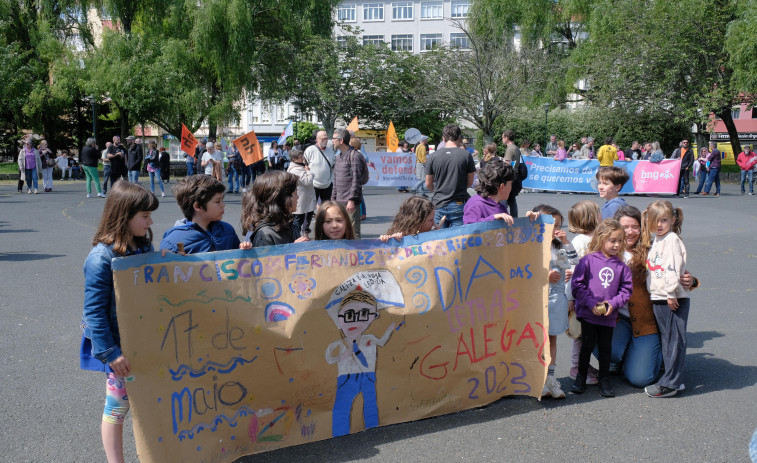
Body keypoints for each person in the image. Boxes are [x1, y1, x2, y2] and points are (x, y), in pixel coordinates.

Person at [79, 180, 159, 463]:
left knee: (149, 401)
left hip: (144, 342)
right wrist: (111, 353)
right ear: (123, 216)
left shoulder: (143, 245)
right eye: (145, 216)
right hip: (119, 349)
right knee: (117, 407)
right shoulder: (101, 258)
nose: (151, 222)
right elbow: (95, 313)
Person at [610, 205, 699, 387]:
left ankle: (649, 354)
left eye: (635, 226)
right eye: (625, 227)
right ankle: (623, 357)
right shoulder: (608, 250)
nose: (630, 232)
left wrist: (692, 281)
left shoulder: (654, 248)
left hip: (646, 323)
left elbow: (675, 269)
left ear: (643, 226)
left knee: (640, 378)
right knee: (610, 350)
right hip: (618, 320)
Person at [570, 219, 633, 397]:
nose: (616, 244)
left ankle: (605, 379)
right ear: (601, 238)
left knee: (606, 349)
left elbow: (626, 290)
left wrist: (611, 305)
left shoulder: (622, 267)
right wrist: (591, 304)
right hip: (589, 314)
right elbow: (578, 285)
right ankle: (580, 377)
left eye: (620, 240)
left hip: (608, 316)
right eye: (612, 240)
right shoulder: (588, 261)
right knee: (587, 347)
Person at [643, 201, 690, 398]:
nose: (659, 224)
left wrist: (671, 293)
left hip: (670, 297)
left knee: (674, 340)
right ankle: (670, 378)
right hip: (660, 297)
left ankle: (671, 384)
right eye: (655, 221)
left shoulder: (670, 239)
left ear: (673, 219)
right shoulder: (658, 239)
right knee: (668, 338)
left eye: (664, 220)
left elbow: (672, 266)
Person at [533, 204, 578, 399]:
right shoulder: (532, 245)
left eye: (558, 224)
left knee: (552, 339)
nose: (554, 228)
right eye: (549, 224)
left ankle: (551, 378)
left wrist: (567, 242)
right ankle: (538, 379)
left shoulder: (558, 246)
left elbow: (575, 262)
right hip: (537, 301)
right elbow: (523, 272)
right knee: (537, 340)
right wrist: (545, 275)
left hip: (557, 301)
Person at [566, 200, 602, 385]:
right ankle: (575, 368)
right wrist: (571, 297)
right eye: (598, 212)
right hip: (581, 297)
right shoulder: (581, 241)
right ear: (592, 217)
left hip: (593, 296)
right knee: (580, 335)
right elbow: (573, 271)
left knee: (588, 334)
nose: (601, 215)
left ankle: (583, 365)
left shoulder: (593, 238)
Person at [159, 175, 240, 254]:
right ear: (198, 206)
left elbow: (239, 261)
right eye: (218, 201)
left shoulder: (227, 230)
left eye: (222, 200)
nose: (223, 205)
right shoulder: (173, 242)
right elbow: (163, 266)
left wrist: (244, 250)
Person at [240, 170, 309, 247]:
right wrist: (293, 249)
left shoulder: (289, 224)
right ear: (282, 199)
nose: (298, 197)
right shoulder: (265, 234)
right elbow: (267, 259)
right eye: (295, 193)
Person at [425, 125, 476, 228]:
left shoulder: (433, 156)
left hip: (439, 202)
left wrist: (437, 190)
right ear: (459, 137)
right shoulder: (466, 155)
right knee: (457, 240)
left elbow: (428, 183)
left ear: (443, 138)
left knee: (439, 240)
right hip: (458, 203)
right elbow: (470, 182)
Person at [331, 128, 366, 238]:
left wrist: (351, 200)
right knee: (341, 232)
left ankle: (356, 254)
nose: (332, 141)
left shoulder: (355, 156)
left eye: (334, 138)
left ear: (341, 141)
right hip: (339, 202)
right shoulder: (338, 157)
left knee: (353, 233)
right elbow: (336, 180)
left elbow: (357, 180)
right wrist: (333, 199)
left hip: (350, 203)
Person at [464, 159, 516, 225]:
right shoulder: (475, 204)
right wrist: (493, 218)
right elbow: (469, 228)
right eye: (510, 184)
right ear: (502, 187)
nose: (511, 188)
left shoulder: (501, 207)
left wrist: (530, 220)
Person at [287, 148, 316, 239]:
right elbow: (307, 181)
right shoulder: (296, 169)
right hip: (301, 198)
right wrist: (308, 172)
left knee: (299, 218)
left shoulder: (297, 167)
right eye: (300, 157)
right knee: (298, 220)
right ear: (295, 159)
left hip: (302, 197)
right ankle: (296, 237)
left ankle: (297, 236)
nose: (303, 158)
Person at [304, 130, 335, 209]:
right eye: (322, 138)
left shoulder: (330, 151)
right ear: (316, 139)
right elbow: (304, 166)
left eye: (326, 138)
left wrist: (331, 180)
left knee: (327, 208)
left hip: (327, 184)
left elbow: (333, 167)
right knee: (310, 209)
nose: (325, 140)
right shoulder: (310, 150)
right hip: (313, 185)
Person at [501, 129, 523, 217]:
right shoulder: (516, 148)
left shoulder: (510, 149)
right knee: (512, 200)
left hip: (509, 176)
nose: (502, 139)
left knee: (503, 200)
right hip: (516, 175)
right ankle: (515, 219)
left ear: (506, 138)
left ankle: (504, 218)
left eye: (502, 137)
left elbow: (507, 163)